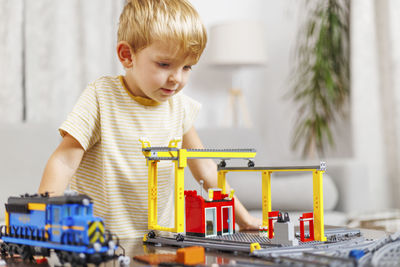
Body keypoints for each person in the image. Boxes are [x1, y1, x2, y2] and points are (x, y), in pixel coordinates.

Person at [39, 0, 261, 238]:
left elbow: (205, 168)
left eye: (187, 67)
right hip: (103, 239)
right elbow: (64, 161)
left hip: (162, 240)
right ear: (127, 56)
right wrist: (41, 221)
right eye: (164, 64)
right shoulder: (101, 97)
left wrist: (244, 218)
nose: (177, 78)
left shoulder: (180, 107)